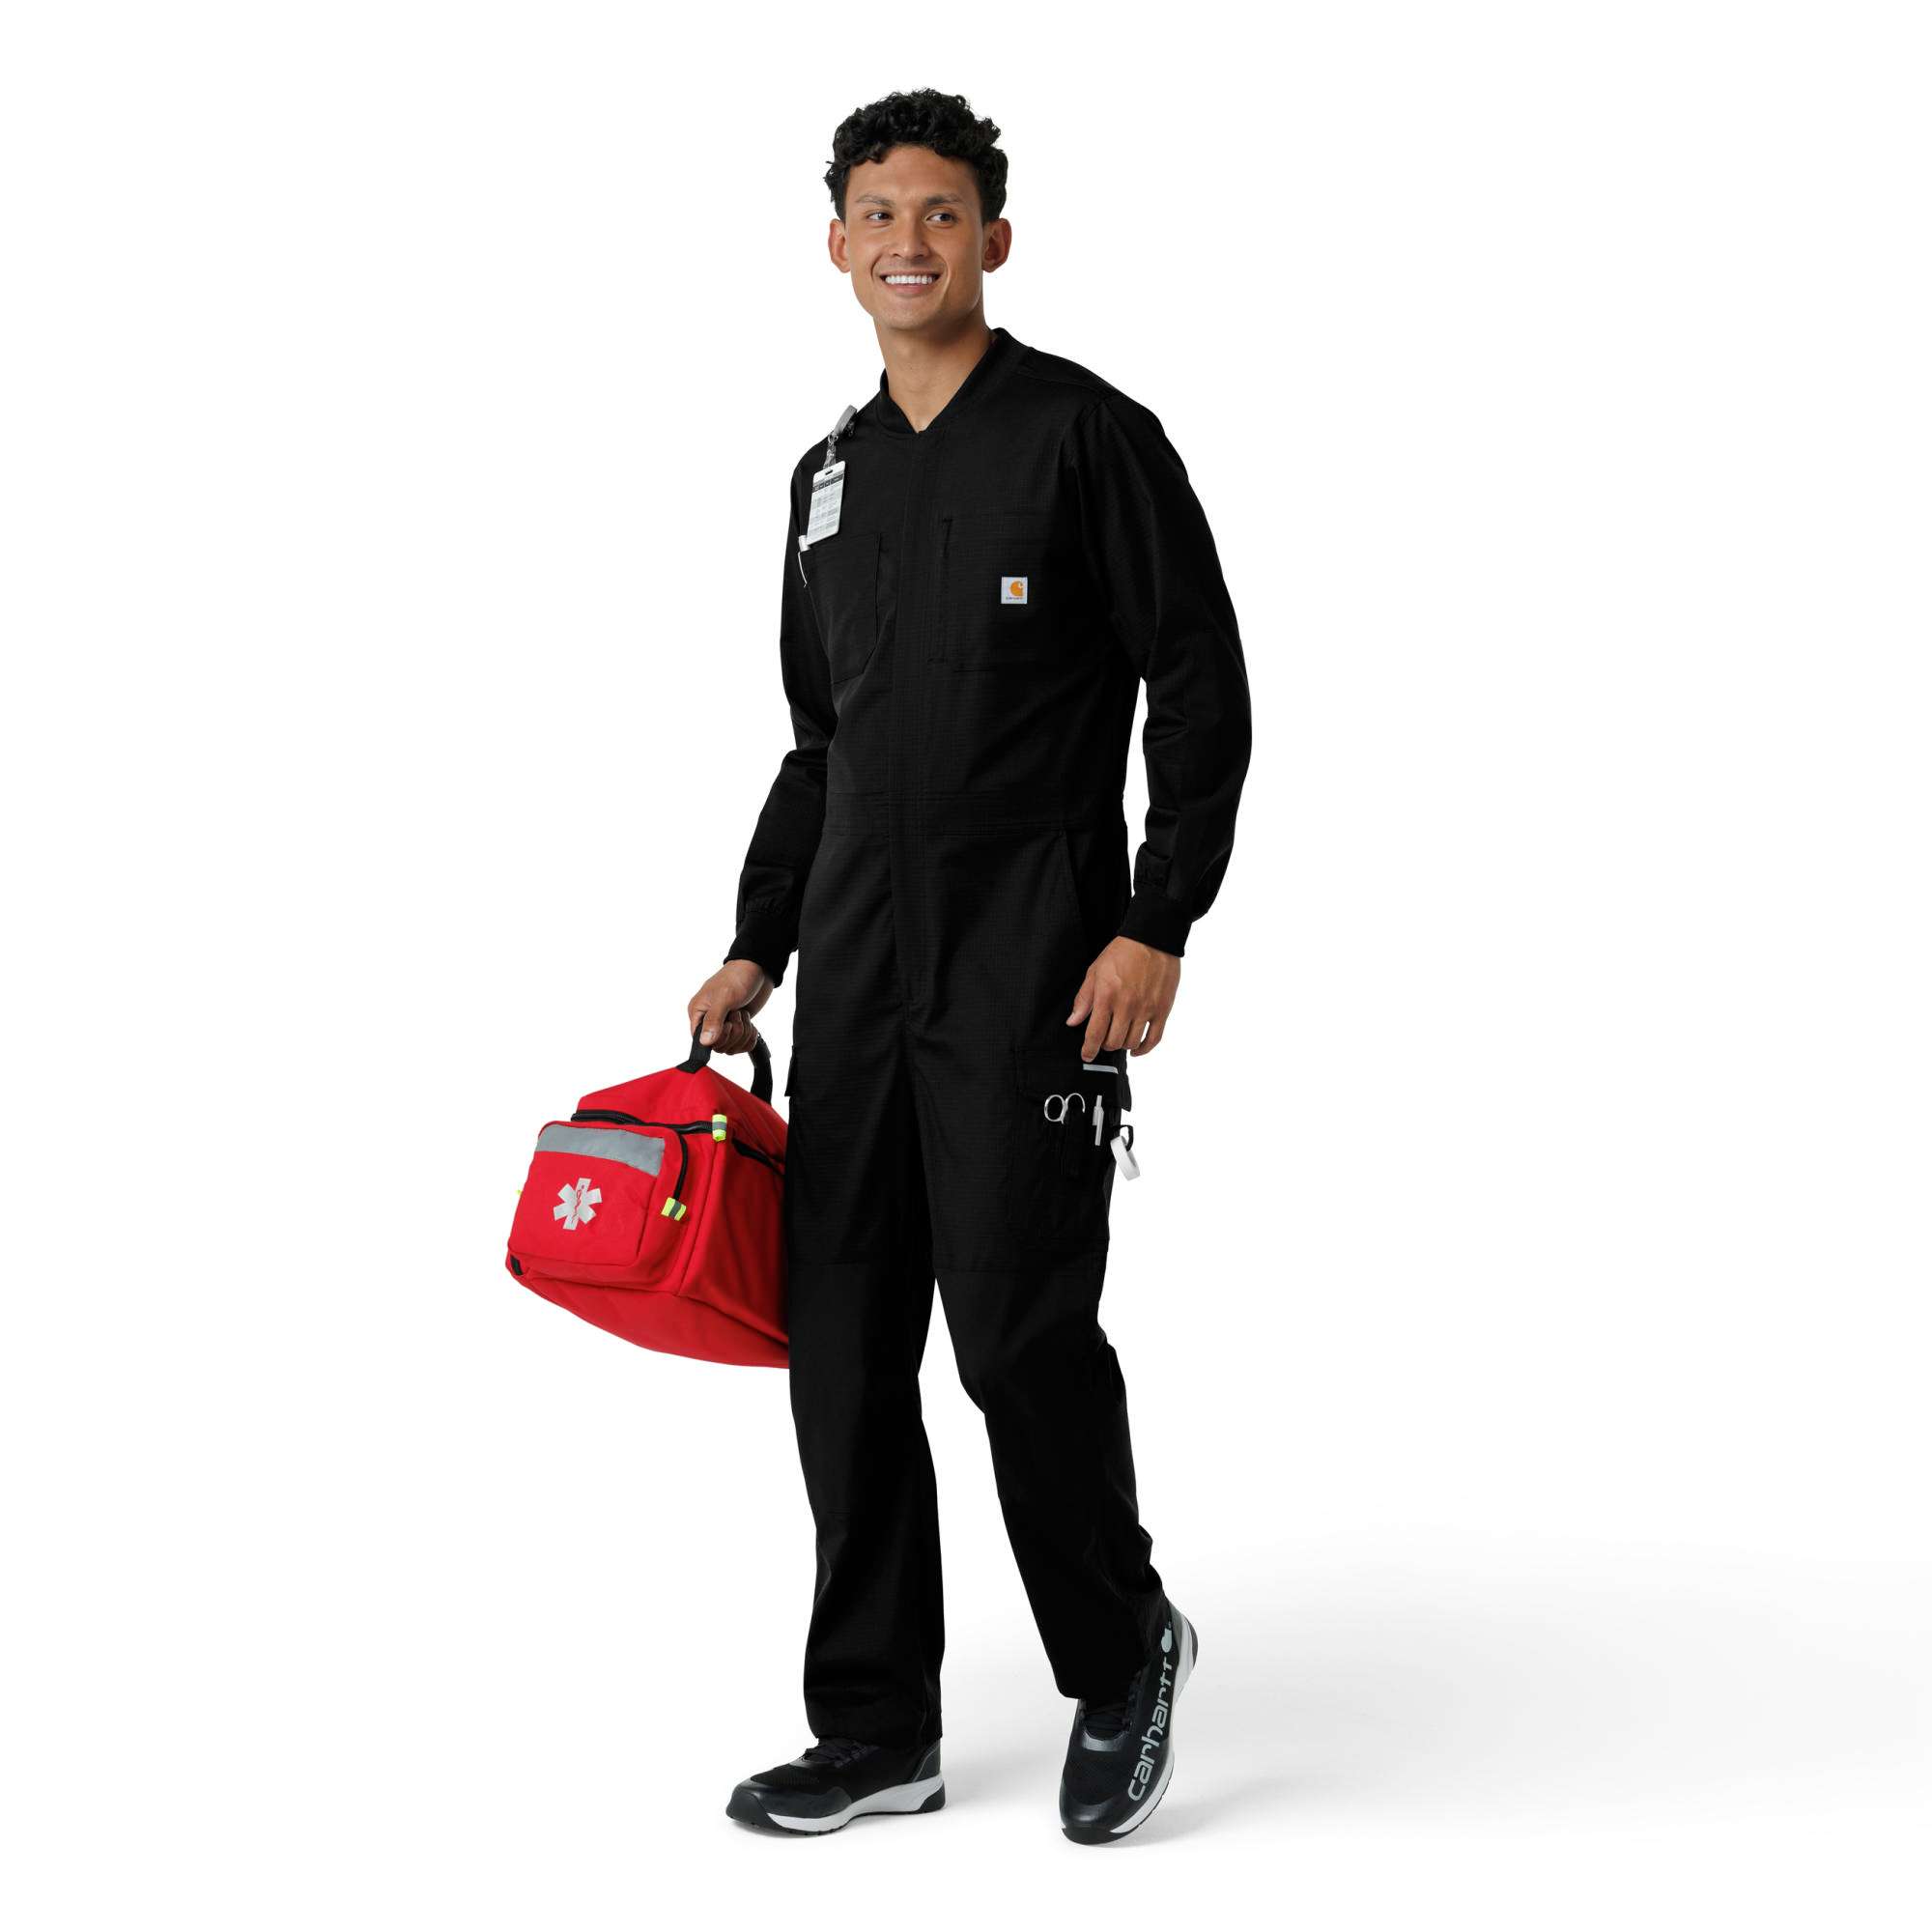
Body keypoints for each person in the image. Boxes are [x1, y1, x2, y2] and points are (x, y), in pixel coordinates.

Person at [686, 88, 1250, 1843]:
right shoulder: (826, 480)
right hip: (857, 975)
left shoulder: (1088, 436)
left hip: (1032, 968)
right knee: (843, 1352)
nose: (909, 242)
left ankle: (1122, 1648)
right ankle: (876, 1729)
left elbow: (1200, 683)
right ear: (835, 245)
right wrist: (758, 940)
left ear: (994, 237)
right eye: (879, 214)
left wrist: (1157, 917)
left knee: (1016, 1339)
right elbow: (820, 741)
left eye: (941, 213)